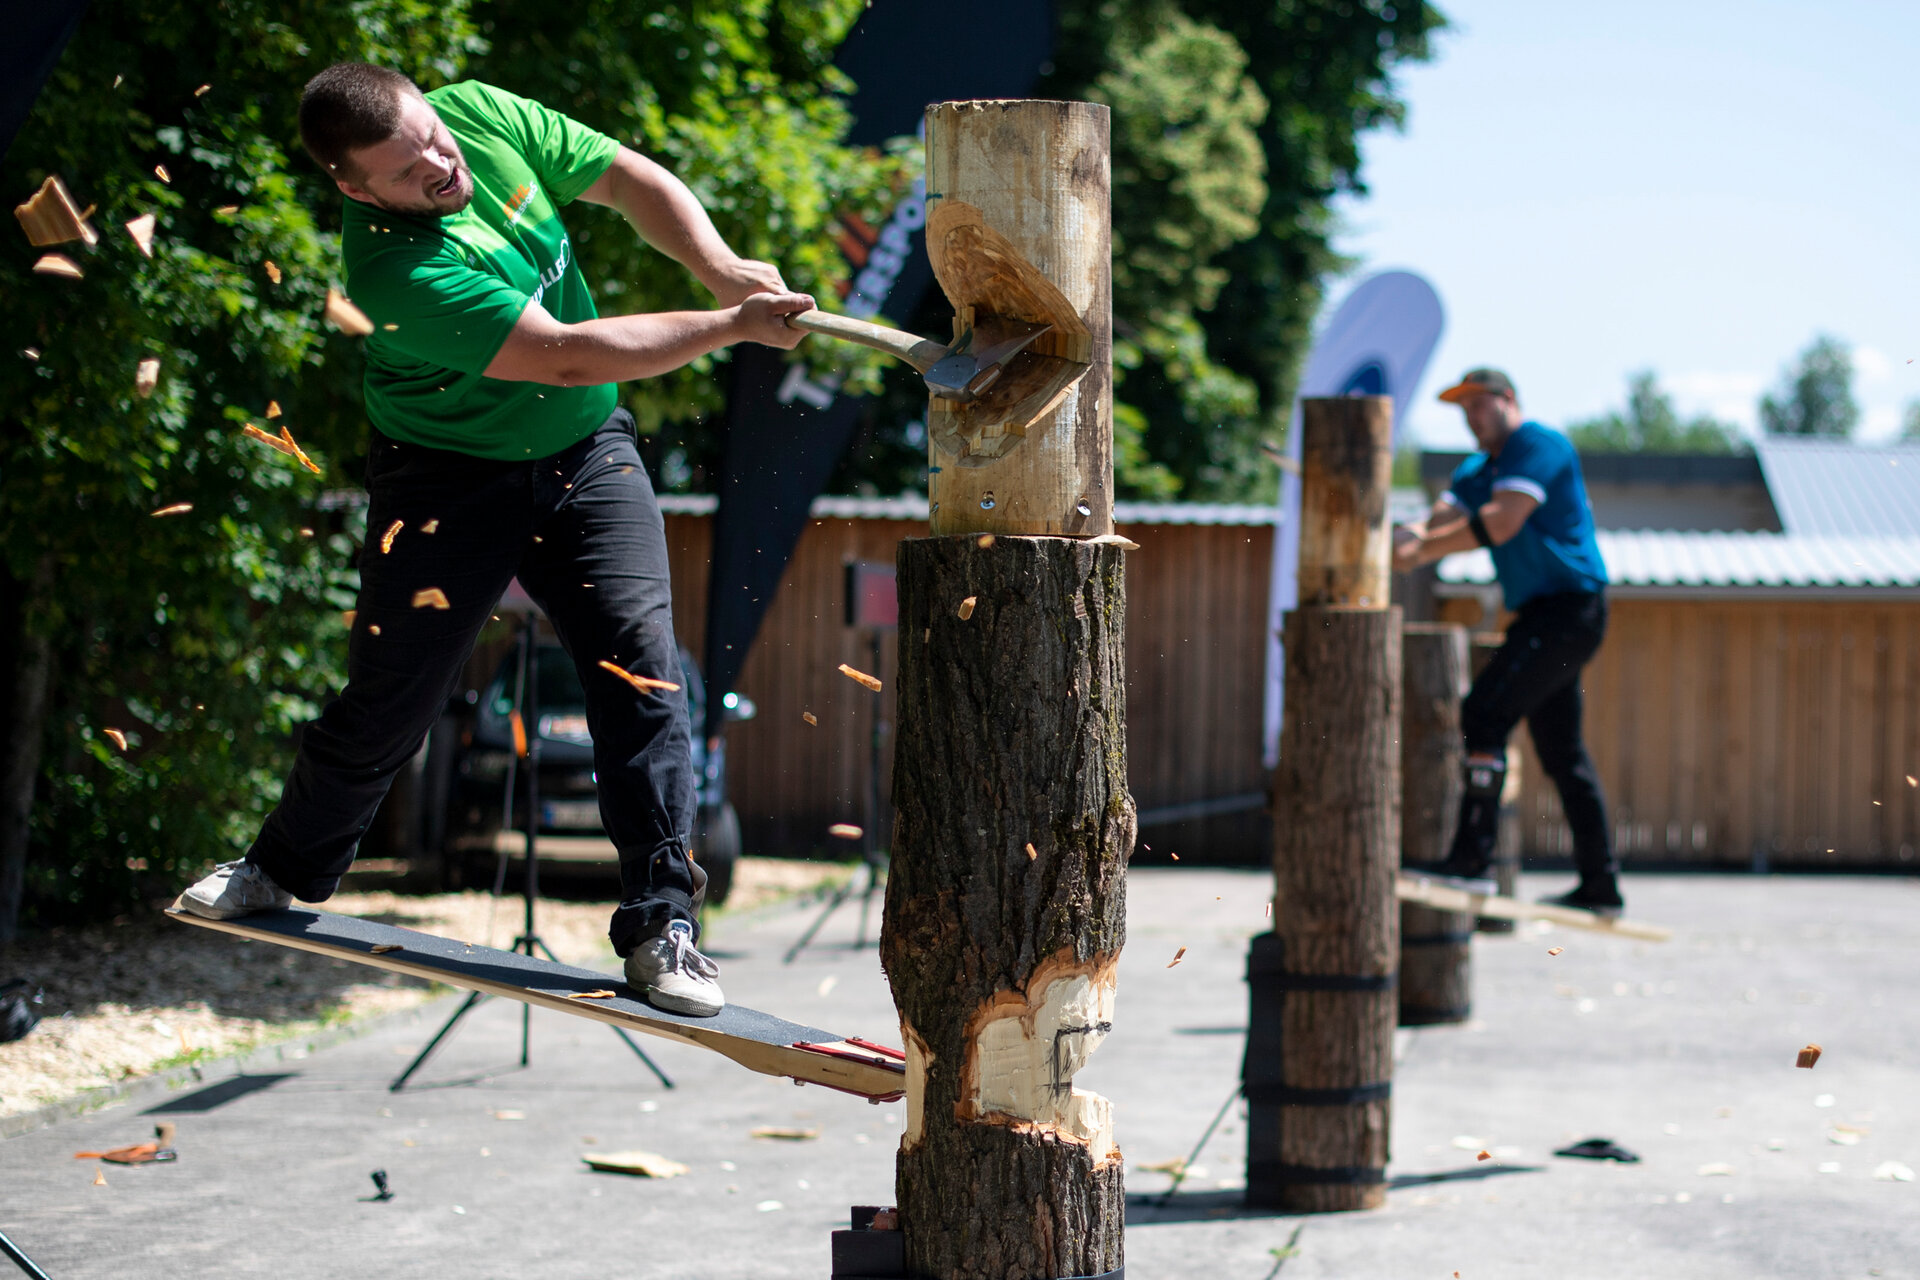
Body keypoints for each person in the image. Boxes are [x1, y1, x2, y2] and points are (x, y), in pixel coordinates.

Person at [176, 63, 818, 1016]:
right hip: (445, 476)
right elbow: (563, 352)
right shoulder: (392, 268)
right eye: (405, 170)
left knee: (642, 673)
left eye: (432, 138)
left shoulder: (478, 110)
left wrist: (722, 267)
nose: (440, 165)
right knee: (395, 694)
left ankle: (663, 926)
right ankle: (281, 867)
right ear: (355, 188)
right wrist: (731, 325)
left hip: (584, 454)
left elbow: (629, 176)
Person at [1391, 368, 1623, 915]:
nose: (1471, 416)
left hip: (1570, 611)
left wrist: (1419, 552)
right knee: (1562, 753)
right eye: (1463, 408)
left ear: (1508, 400)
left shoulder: (1539, 446)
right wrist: (1406, 533)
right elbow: (1440, 517)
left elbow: (1502, 523)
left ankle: (1474, 863)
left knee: (1484, 715)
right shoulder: (1479, 469)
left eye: (1480, 404)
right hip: (1541, 618)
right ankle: (1602, 887)